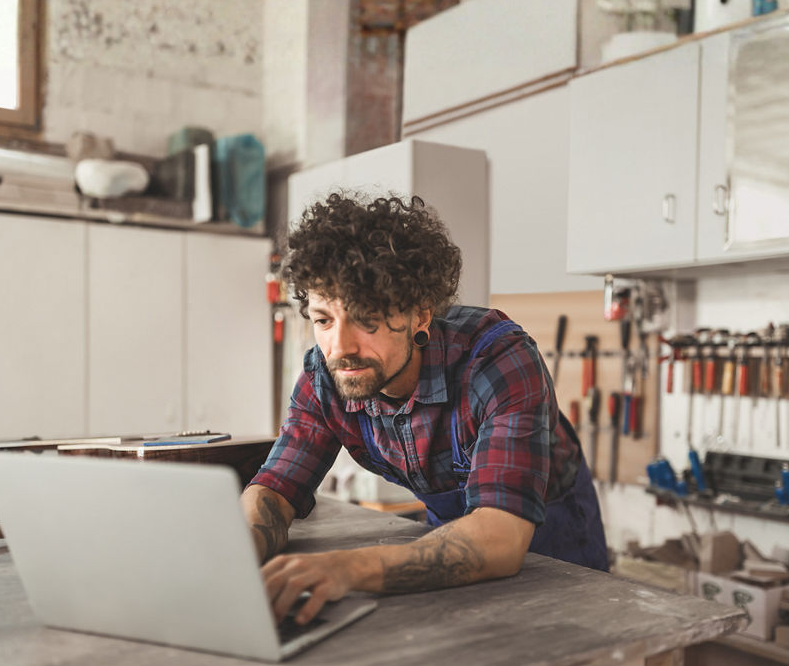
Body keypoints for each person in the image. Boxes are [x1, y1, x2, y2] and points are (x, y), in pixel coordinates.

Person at [244, 192, 608, 627]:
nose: (340, 347)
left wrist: (348, 568)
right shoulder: (326, 377)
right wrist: (237, 556)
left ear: (420, 315)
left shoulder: (497, 361)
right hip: (452, 542)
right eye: (324, 320)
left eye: (367, 319)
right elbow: (275, 488)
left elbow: (501, 539)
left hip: (553, 546)